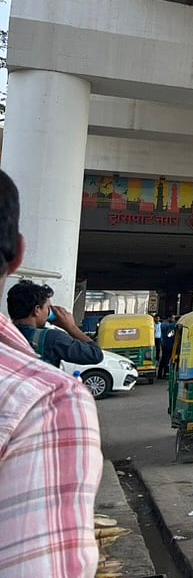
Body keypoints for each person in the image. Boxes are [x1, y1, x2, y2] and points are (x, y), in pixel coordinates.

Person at [0, 169, 102, 576]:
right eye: (46, 308)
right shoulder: (52, 395)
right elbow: (93, 353)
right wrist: (71, 325)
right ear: (17, 254)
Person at [7, 280, 103, 368]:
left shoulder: (5, 333)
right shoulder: (52, 338)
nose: (50, 312)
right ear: (37, 310)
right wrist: (72, 327)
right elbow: (96, 355)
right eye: (48, 308)